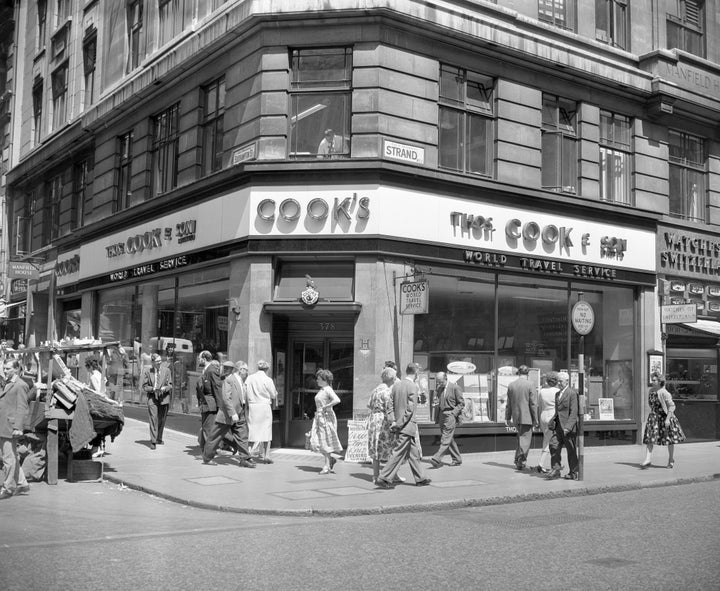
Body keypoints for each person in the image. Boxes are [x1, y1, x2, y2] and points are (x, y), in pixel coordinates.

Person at [375, 363, 432, 489]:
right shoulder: (412, 386)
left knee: (413, 453)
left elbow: (389, 405)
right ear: (416, 373)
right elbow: (410, 409)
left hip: (400, 425)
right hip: (406, 426)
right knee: (398, 453)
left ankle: (420, 478)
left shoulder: (397, 385)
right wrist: (399, 423)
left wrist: (393, 421)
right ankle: (384, 477)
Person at [202, 361, 255, 468]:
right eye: (246, 370)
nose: (247, 372)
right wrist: (232, 413)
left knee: (242, 436)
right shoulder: (229, 379)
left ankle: (245, 458)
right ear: (241, 370)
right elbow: (226, 398)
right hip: (228, 414)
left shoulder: (241, 380)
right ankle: (207, 458)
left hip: (240, 413)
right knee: (216, 435)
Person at [641, 373, 686, 469]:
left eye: (654, 380)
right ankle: (648, 459)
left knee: (669, 440)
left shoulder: (664, 392)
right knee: (650, 438)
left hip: (665, 417)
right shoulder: (651, 391)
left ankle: (671, 459)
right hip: (654, 417)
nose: (652, 381)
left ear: (660, 381)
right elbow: (651, 404)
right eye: (652, 380)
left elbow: (672, 406)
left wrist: (668, 419)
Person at [0, 358, 31, 499]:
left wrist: (18, 427)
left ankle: (7, 487)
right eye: (4, 368)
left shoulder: (20, 385)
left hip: (10, 426)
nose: (5, 371)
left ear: (16, 369)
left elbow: (22, 407)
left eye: (8, 368)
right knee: (11, 456)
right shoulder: (6, 383)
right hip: (3, 424)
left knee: (8, 458)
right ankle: (22, 484)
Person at [367, 367, 398, 483]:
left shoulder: (375, 390)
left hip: (374, 420)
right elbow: (389, 409)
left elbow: (368, 404)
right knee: (390, 447)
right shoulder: (388, 391)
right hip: (383, 421)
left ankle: (375, 475)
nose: (395, 379)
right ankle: (392, 474)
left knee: (376, 448)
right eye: (394, 377)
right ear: (391, 378)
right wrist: (393, 422)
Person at [309, 369, 343, 474]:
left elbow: (337, 400)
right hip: (319, 417)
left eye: (319, 379)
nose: (317, 381)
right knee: (316, 441)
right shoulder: (323, 389)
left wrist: (326, 407)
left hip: (325, 417)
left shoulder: (328, 389)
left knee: (324, 441)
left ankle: (327, 465)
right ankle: (330, 461)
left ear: (325, 380)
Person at [546, 371, 579, 480]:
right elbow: (558, 412)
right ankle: (556, 469)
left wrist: (568, 427)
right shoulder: (557, 394)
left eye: (561, 381)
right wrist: (552, 421)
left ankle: (574, 472)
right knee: (553, 445)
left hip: (568, 428)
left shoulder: (572, 393)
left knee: (571, 451)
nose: (558, 383)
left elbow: (574, 412)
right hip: (558, 427)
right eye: (557, 381)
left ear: (567, 381)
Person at [505, 365, 538, 471]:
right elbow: (533, 404)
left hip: (516, 417)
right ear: (527, 374)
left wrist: (507, 417)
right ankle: (521, 461)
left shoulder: (511, 385)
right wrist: (535, 419)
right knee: (525, 440)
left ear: (518, 373)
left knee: (520, 438)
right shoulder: (530, 385)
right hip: (527, 416)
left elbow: (508, 403)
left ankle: (517, 459)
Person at [245, 359, 278, 464]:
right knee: (266, 430)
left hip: (253, 406)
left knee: (252, 430)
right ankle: (266, 455)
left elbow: (245, 391)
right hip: (264, 406)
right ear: (267, 369)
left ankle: (249, 453)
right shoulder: (268, 380)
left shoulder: (250, 378)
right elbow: (273, 395)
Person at [429, 372, 465, 468]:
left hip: (450, 415)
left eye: (440, 382)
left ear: (445, 378)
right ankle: (457, 459)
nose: (439, 384)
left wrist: (453, 413)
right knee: (449, 438)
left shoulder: (455, 388)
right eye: (438, 382)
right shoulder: (439, 388)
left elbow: (461, 403)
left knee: (445, 438)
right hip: (442, 415)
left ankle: (437, 458)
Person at [141, 353, 172, 450]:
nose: (159, 363)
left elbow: (170, 385)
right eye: (157, 361)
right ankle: (153, 441)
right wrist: (153, 389)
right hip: (152, 397)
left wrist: (165, 388)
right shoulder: (147, 371)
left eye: (160, 361)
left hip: (164, 397)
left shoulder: (167, 371)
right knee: (153, 419)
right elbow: (144, 386)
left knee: (161, 420)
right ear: (153, 362)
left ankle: (159, 438)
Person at [196, 350, 221, 450]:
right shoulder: (206, 370)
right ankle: (206, 450)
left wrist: (220, 407)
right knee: (206, 429)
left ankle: (209, 453)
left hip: (211, 406)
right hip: (205, 405)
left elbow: (217, 388)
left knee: (209, 429)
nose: (198, 360)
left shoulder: (211, 370)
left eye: (199, 358)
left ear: (204, 359)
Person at [535, 371, 559, 474]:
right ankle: (543, 464)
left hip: (543, 415)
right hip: (552, 416)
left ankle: (541, 463)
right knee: (552, 441)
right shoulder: (557, 391)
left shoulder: (542, 391)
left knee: (546, 439)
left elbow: (538, 406)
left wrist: (537, 420)